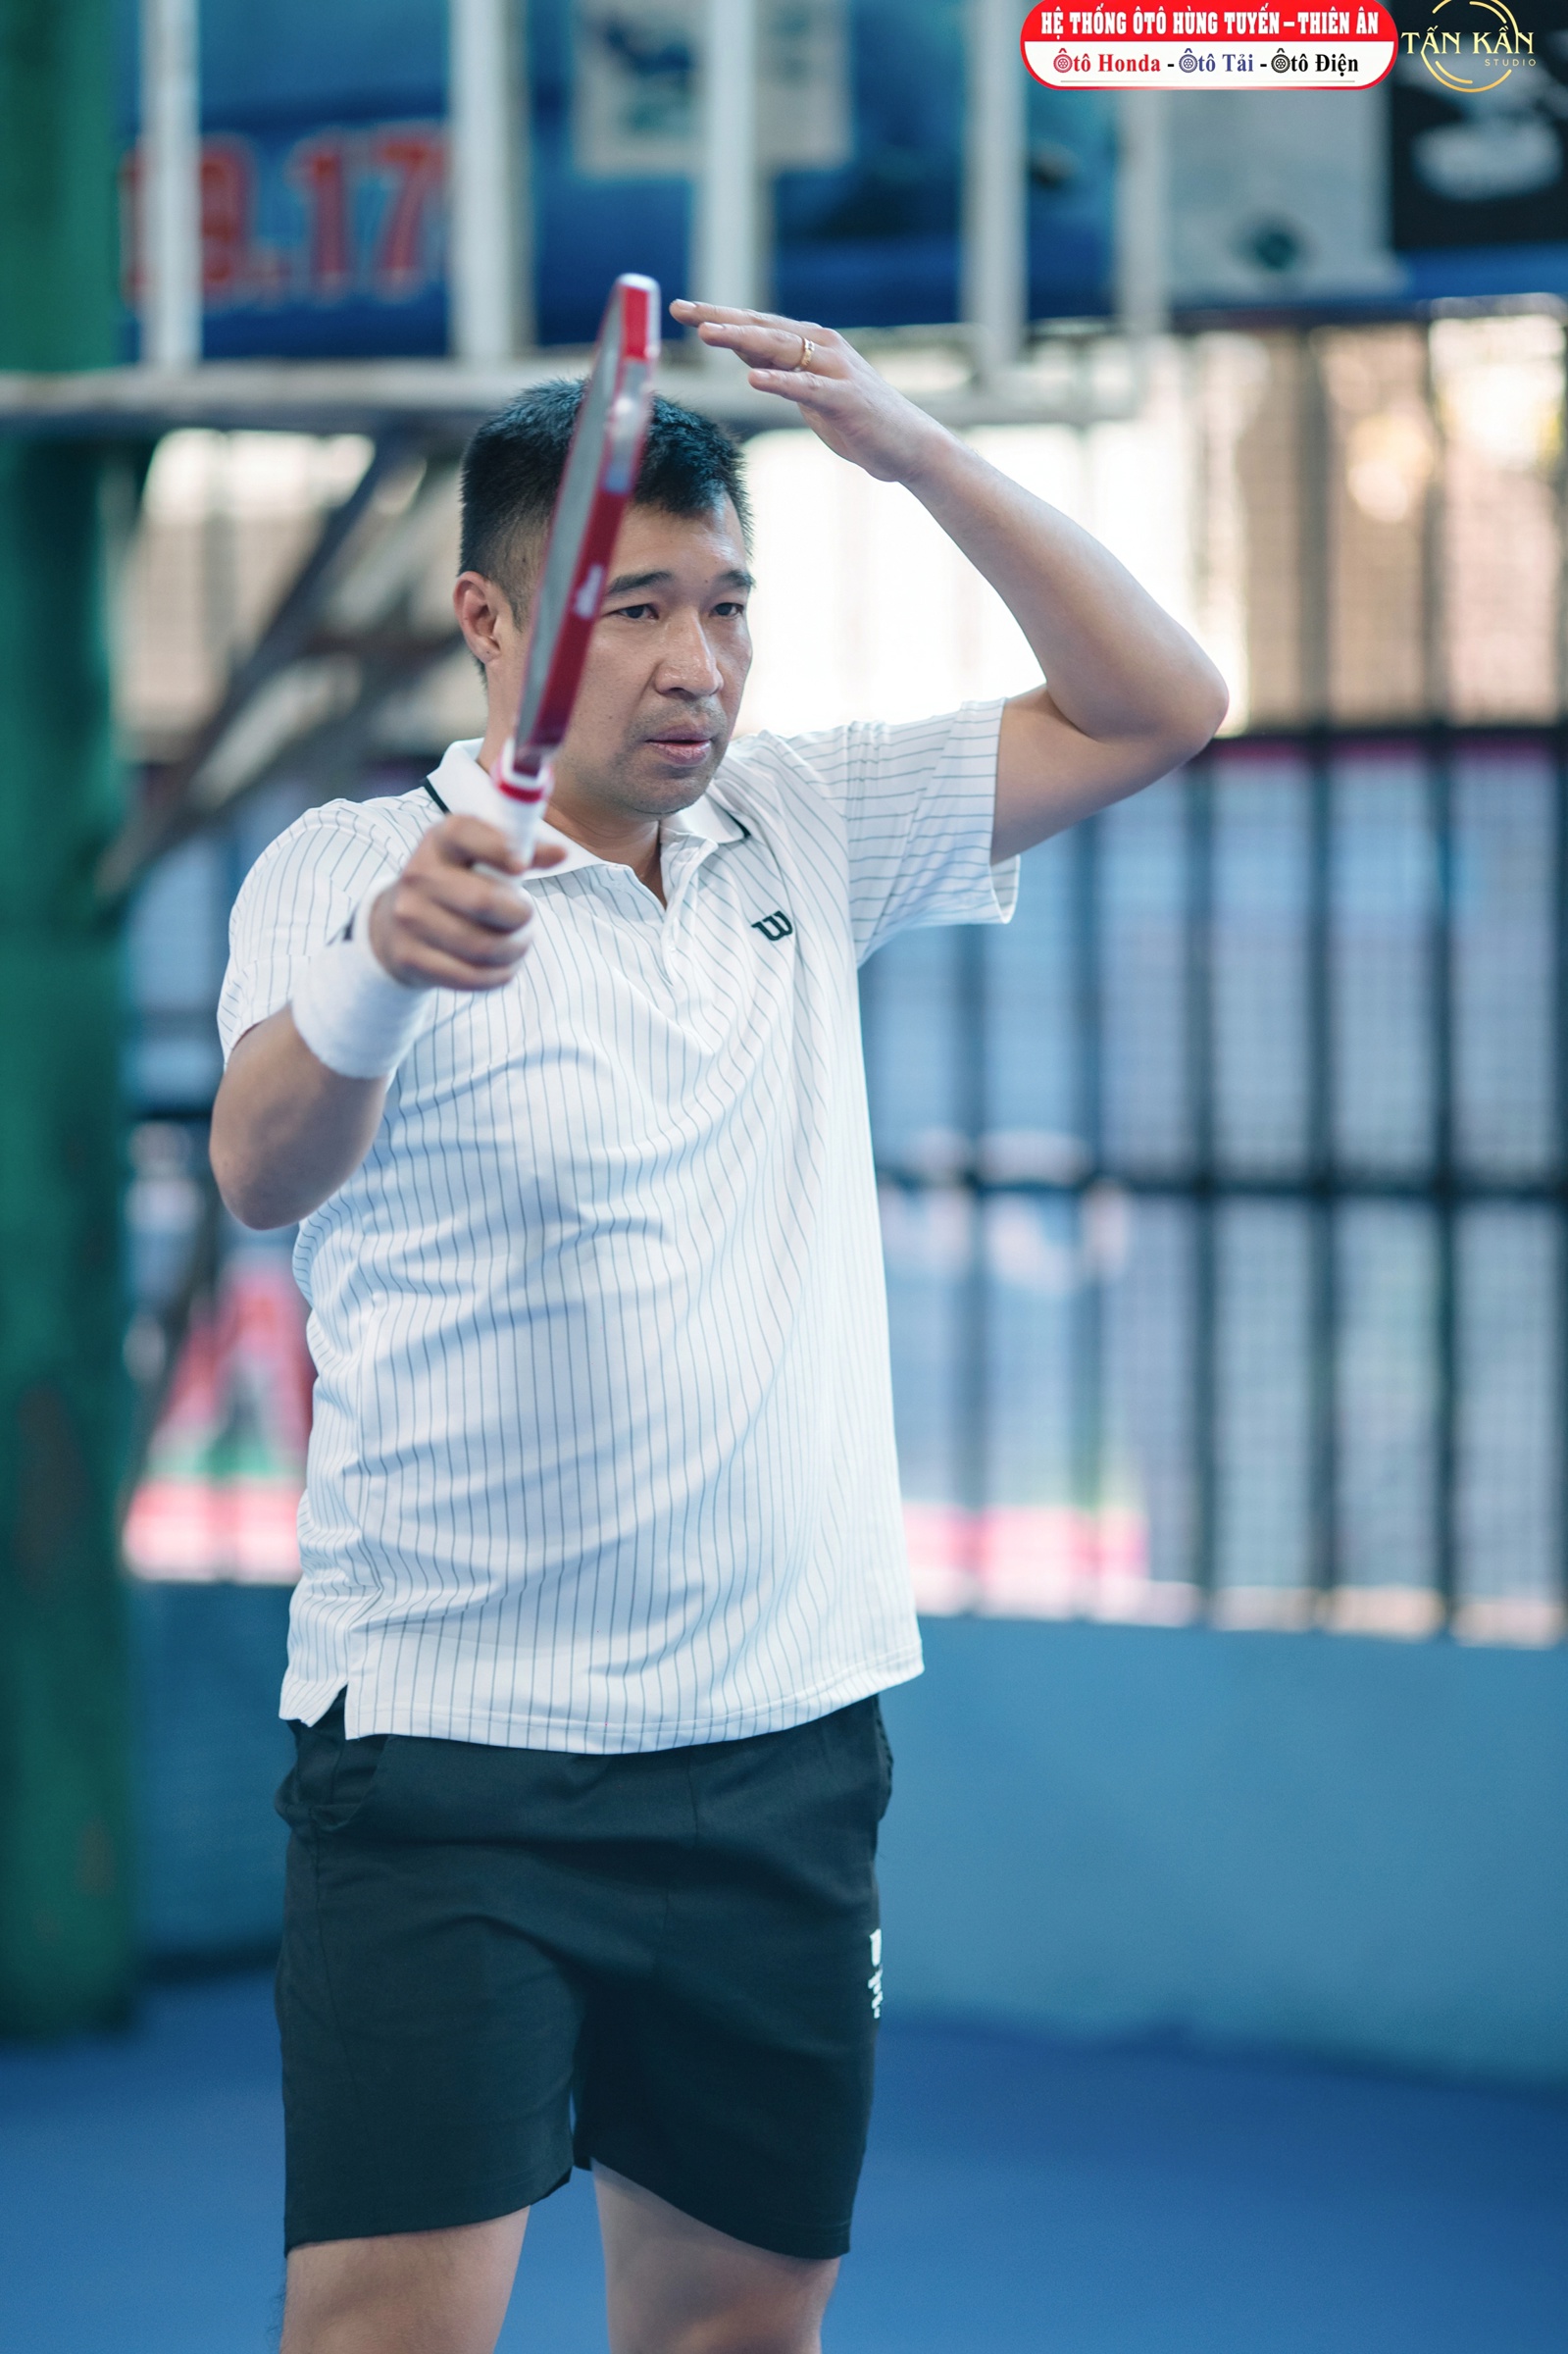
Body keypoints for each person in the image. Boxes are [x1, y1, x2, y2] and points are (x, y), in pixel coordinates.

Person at [210, 298, 1227, 2354]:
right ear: (492, 623)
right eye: (636, 609)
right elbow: (259, 1164)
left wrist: (916, 456)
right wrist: (383, 972)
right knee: (382, 2335)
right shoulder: (347, 870)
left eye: (728, 608)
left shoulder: (806, 828)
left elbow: (1161, 705)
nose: (698, 664)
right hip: (453, 1762)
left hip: (780, 1757)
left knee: (735, 2333)